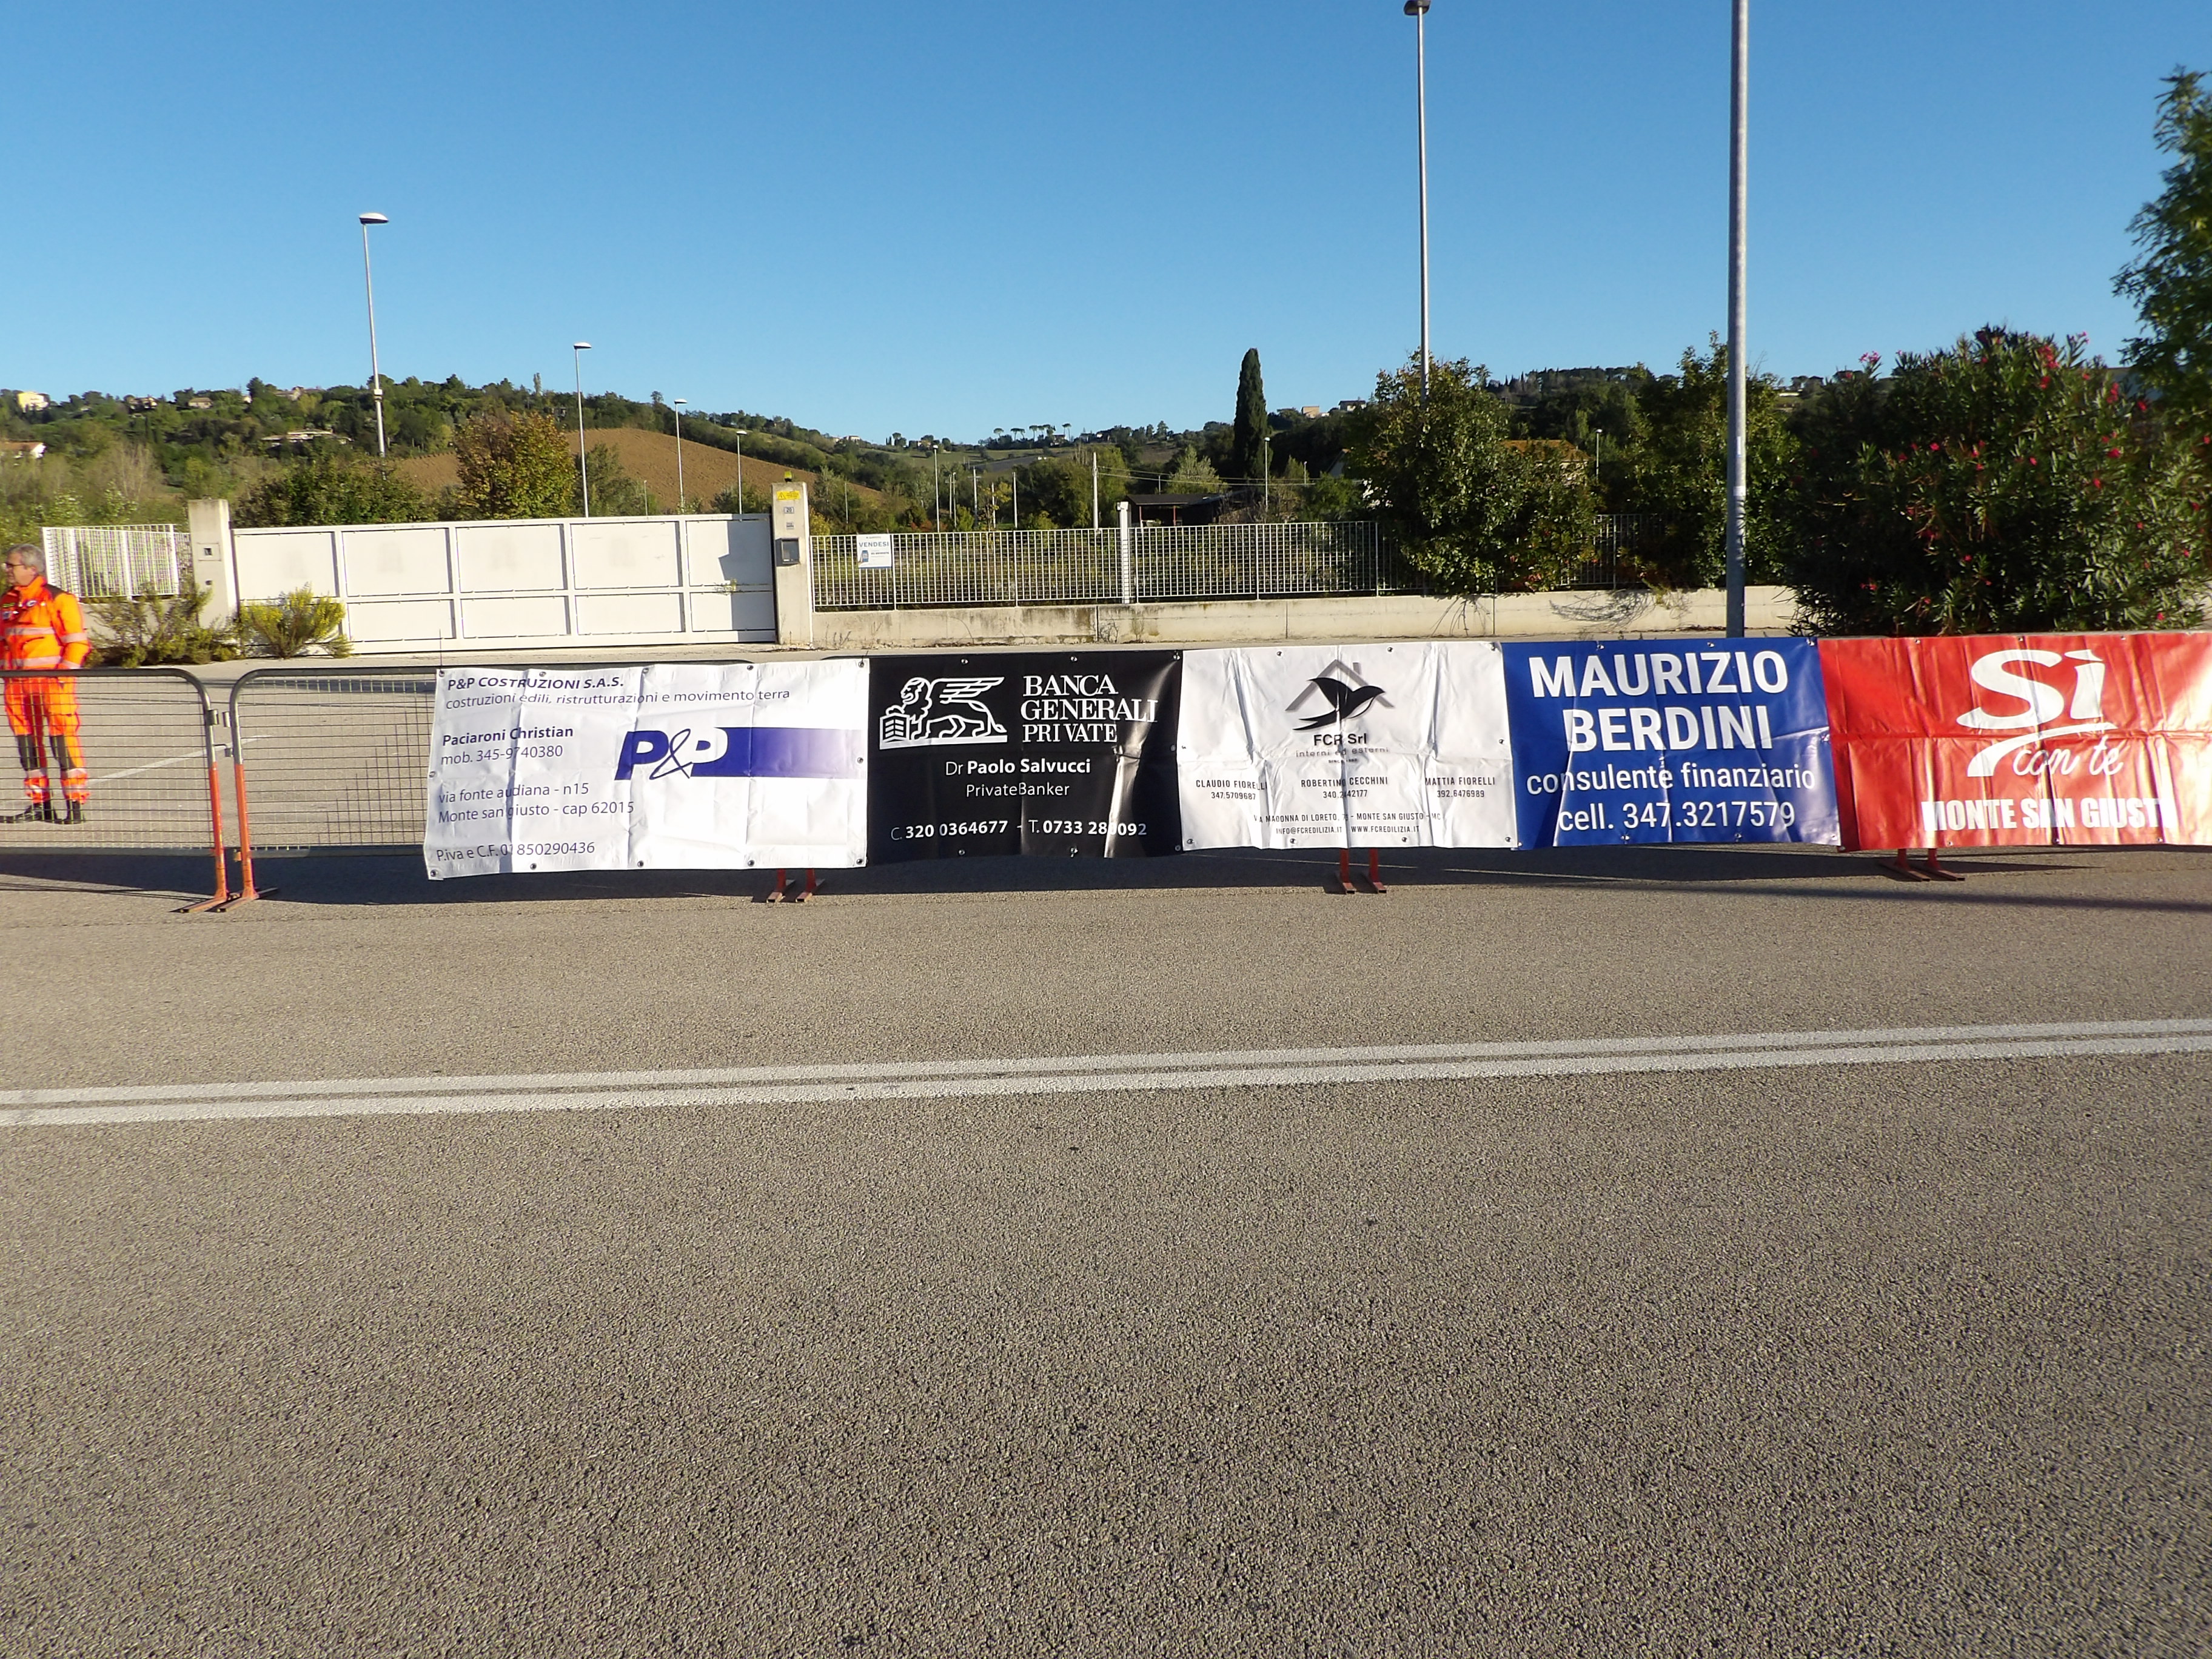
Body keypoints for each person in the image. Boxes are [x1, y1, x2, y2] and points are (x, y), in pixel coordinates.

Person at [2, 543, 90, 823]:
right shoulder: (7, 600)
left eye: (11, 565)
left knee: (62, 740)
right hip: (16, 685)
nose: (7, 570)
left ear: (32, 568)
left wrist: (63, 677)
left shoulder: (58, 599)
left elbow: (77, 644)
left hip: (52, 684)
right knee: (27, 744)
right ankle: (40, 804)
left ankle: (75, 805)